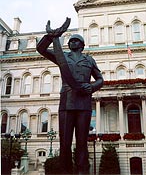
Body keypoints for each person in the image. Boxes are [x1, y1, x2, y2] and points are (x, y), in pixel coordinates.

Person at [37, 18, 103, 175]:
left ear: (81, 44)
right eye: (71, 40)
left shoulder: (89, 59)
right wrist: (51, 35)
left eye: (75, 40)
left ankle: (82, 171)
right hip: (66, 102)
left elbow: (100, 79)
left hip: (84, 103)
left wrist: (92, 86)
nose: (72, 42)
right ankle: (65, 171)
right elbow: (41, 49)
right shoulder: (62, 57)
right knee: (65, 142)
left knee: (82, 142)